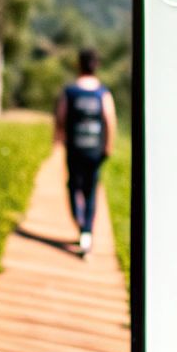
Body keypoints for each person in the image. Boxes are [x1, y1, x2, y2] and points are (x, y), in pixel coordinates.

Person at [53, 47, 117, 255]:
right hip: (94, 150)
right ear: (96, 66)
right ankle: (87, 231)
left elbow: (61, 117)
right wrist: (108, 145)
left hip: (74, 149)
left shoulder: (70, 91)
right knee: (91, 190)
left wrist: (57, 138)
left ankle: (80, 224)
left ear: (78, 64)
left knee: (73, 185)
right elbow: (110, 120)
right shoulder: (102, 93)